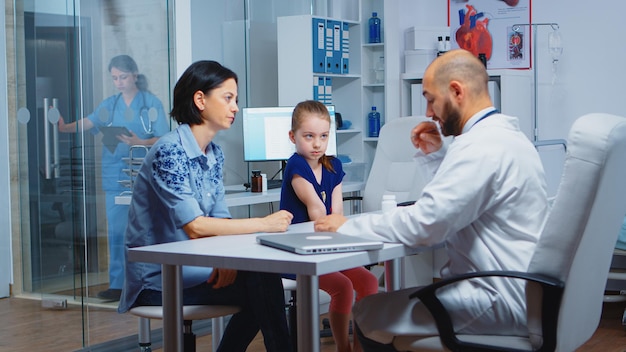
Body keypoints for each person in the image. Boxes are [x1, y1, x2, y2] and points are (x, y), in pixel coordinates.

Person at [314, 49, 550, 351]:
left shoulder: (479, 147)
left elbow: (426, 224)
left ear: (456, 91)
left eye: (430, 99)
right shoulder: (507, 138)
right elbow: (463, 202)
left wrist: (347, 227)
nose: (428, 112)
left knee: (367, 311)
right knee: (390, 306)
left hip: (497, 298)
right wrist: (438, 156)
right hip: (520, 292)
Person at [117, 60, 293, 352]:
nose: (235, 107)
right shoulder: (168, 150)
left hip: (197, 270)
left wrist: (226, 261)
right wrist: (264, 223)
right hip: (158, 283)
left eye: (235, 99)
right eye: (228, 98)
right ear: (200, 99)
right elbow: (196, 226)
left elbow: (220, 219)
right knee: (261, 283)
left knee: (261, 280)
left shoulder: (214, 153)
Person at [58, 54, 169, 301]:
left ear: (135, 76)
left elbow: (162, 136)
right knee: (117, 232)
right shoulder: (110, 104)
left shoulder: (150, 103)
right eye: (115, 78)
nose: (118, 82)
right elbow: (90, 121)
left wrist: (141, 141)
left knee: (146, 230)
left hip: (143, 173)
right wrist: (66, 128)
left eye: (123, 77)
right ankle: (118, 285)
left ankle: (148, 283)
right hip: (115, 175)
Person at [280, 100, 379, 352]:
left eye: (323, 136)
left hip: (326, 247)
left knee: (368, 281)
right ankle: (343, 346)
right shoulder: (296, 165)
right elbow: (317, 211)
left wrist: (338, 229)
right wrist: (335, 225)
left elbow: (337, 213)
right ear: (293, 136)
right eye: (309, 136)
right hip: (298, 253)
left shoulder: (334, 166)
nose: (317, 144)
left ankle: (360, 346)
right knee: (343, 286)